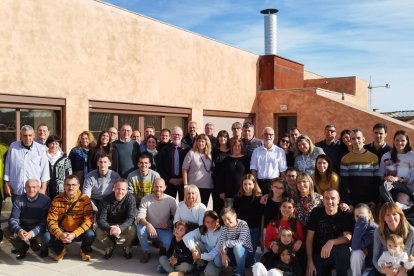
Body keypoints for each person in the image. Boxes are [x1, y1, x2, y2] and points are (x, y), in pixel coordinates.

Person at [43, 175, 95, 261]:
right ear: (64, 185)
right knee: (46, 237)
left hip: (78, 231)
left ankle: (84, 250)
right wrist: (60, 234)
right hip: (62, 231)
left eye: (73, 185)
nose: (70, 187)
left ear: (78, 186)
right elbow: (51, 220)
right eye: (68, 184)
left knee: (91, 234)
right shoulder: (57, 199)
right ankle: (61, 250)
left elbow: (88, 221)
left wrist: (74, 234)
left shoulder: (85, 199)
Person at [306, 189, 354, 276]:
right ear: (323, 200)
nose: (329, 201)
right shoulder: (316, 212)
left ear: (338, 199)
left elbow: (348, 238)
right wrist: (310, 262)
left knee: (343, 250)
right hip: (320, 254)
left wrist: (331, 242)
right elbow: (309, 239)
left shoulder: (344, 214)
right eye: (326, 198)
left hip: (338, 254)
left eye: (333, 198)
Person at [3, 179, 50, 259]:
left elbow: (44, 222)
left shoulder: (45, 200)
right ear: (25, 188)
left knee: (46, 238)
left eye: (34, 187)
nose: (31, 190)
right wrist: (19, 230)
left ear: (39, 188)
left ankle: (42, 248)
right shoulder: (19, 199)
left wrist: (32, 233)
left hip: (38, 229)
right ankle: (22, 247)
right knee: (7, 231)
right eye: (28, 187)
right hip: (24, 227)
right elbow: (13, 219)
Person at [136, 178, 177, 263]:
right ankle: (146, 252)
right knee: (140, 228)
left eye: (161, 187)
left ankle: (162, 248)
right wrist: (148, 225)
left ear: (165, 187)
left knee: (168, 243)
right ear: (153, 187)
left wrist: (169, 223)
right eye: (156, 187)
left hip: (163, 229)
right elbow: (140, 217)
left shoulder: (171, 200)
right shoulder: (145, 199)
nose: (158, 189)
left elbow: (177, 217)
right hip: (149, 229)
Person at [4, 125, 50, 200]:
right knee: (17, 211)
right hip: (17, 189)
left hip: (34, 190)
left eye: (30, 135)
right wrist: (7, 184)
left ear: (34, 135)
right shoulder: (13, 146)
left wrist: (43, 188)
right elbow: (7, 166)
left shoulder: (40, 149)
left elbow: (45, 170)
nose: (28, 138)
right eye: (25, 135)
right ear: (21, 136)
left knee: (34, 211)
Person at [96, 179, 136, 259]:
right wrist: (109, 228)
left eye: (123, 189)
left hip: (123, 224)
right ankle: (110, 245)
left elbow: (130, 217)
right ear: (113, 188)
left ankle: (126, 246)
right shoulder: (105, 200)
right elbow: (100, 219)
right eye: (118, 188)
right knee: (98, 232)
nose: (120, 191)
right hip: (109, 224)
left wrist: (120, 228)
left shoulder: (130, 199)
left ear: (127, 190)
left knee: (133, 230)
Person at [340, 129, 379, 209]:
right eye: (353, 139)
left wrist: (374, 200)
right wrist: (349, 202)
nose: (356, 141)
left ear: (363, 139)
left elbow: (376, 181)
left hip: (370, 202)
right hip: (353, 202)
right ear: (350, 140)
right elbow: (344, 183)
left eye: (358, 138)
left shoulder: (373, 157)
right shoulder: (345, 159)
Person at [373, 203, 414, 275]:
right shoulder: (378, 232)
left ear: (400, 216)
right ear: (383, 218)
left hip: (407, 267)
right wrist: (384, 270)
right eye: (387, 215)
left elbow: (412, 256)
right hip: (388, 267)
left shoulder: (411, 231)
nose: (391, 218)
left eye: (394, 214)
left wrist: (404, 269)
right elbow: (375, 258)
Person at [233, 174, 263, 264]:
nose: (247, 186)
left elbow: (261, 216)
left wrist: (261, 233)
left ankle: (255, 255)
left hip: (254, 230)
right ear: (242, 185)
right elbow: (234, 215)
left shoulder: (258, 199)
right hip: (241, 230)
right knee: (239, 254)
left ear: (254, 185)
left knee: (249, 262)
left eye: (249, 184)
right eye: (245, 184)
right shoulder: (238, 198)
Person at [378, 130, 414, 203]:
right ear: (393, 141)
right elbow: (381, 175)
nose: (399, 143)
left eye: (402, 140)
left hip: (406, 192)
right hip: (388, 191)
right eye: (397, 140)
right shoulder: (386, 156)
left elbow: (412, 178)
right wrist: (387, 178)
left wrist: (398, 179)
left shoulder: (412, 157)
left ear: (407, 142)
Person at [183, 210, 223, 276]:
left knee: (209, 273)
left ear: (217, 221)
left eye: (213, 221)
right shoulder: (202, 229)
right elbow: (186, 237)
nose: (210, 224)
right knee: (194, 241)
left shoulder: (222, 231)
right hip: (204, 254)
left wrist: (200, 256)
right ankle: (201, 266)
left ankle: (215, 268)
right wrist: (193, 250)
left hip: (215, 257)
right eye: (207, 222)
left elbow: (214, 253)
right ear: (204, 222)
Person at [157, 126, 190, 201]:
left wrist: (182, 179)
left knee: (184, 205)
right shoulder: (164, 149)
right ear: (171, 136)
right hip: (169, 183)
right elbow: (160, 167)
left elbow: (191, 167)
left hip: (184, 183)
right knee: (168, 206)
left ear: (182, 136)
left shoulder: (188, 149)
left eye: (178, 134)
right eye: (174, 134)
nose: (176, 136)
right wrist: (169, 179)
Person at [250, 127, 287, 195]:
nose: (268, 136)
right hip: (260, 184)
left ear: (274, 136)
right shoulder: (256, 151)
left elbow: (283, 171)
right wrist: (255, 185)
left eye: (271, 134)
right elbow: (253, 170)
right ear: (262, 136)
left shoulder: (280, 151)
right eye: (266, 134)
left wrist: (281, 186)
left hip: (275, 184)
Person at [218, 207, 253, 276]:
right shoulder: (225, 228)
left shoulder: (243, 224)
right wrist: (223, 253)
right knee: (220, 254)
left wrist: (226, 243)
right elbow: (222, 243)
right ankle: (234, 267)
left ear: (235, 215)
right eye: (224, 220)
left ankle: (240, 273)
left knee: (237, 247)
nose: (227, 222)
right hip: (233, 253)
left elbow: (241, 242)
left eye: (228, 218)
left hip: (246, 254)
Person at [182, 133, 214, 206]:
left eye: (203, 141)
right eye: (199, 141)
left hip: (207, 186)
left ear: (206, 143)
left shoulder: (209, 154)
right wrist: (185, 185)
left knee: (203, 207)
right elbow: (184, 169)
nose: (200, 143)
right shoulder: (191, 153)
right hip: (194, 186)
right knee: (192, 206)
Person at [217, 139, 250, 208]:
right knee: (228, 215)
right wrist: (221, 191)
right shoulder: (226, 160)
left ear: (242, 147)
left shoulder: (247, 159)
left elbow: (249, 176)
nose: (237, 148)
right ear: (232, 147)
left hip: (242, 193)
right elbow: (221, 176)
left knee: (241, 215)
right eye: (235, 146)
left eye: (239, 146)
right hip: (228, 194)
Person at [351, 203, 378, 276]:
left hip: (374, 266)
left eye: (362, 217)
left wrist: (360, 224)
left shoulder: (374, 230)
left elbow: (355, 245)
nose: (359, 220)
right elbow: (355, 247)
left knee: (356, 250)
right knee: (356, 253)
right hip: (364, 262)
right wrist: (362, 248)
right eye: (357, 216)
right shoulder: (356, 225)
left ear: (369, 215)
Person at [45, 135, 72, 199]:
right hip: (45, 188)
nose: (54, 146)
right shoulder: (43, 156)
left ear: (59, 145)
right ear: (48, 144)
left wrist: (68, 186)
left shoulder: (64, 158)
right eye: (52, 143)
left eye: (56, 143)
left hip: (60, 189)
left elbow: (69, 173)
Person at [212, 130, 231, 212]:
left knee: (228, 209)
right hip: (217, 182)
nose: (222, 138)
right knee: (217, 207)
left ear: (227, 138)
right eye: (220, 136)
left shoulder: (231, 151)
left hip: (229, 182)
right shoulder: (214, 151)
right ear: (218, 138)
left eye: (225, 137)